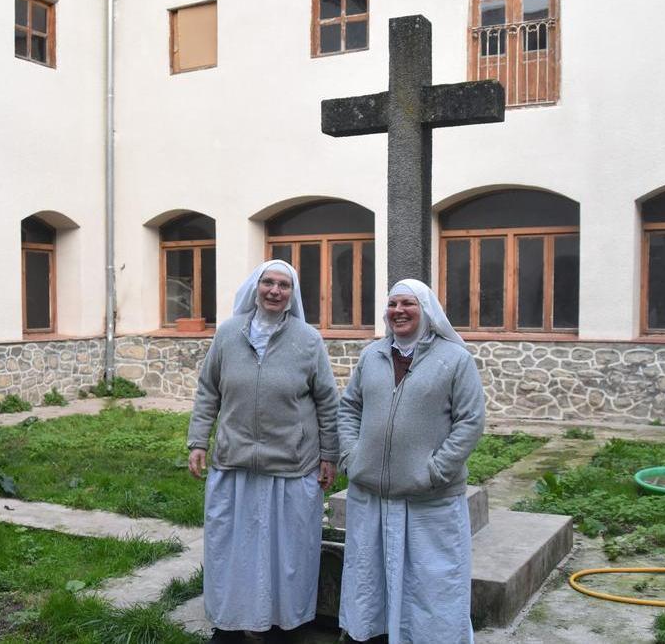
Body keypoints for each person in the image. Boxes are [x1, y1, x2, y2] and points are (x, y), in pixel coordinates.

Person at [187, 259, 340, 644]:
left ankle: (284, 626)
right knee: (232, 551)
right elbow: (209, 391)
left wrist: (329, 454)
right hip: (235, 462)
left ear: (293, 294)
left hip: (290, 465)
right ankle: (228, 626)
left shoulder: (308, 340)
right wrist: (197, 441)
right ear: (256, 288)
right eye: (268, 283)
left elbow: (327, 402)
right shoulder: (227, 335)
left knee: (286, 555)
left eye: (283, 285)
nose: (275, 291)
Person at [336, 279, 486, 644]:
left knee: (432, 580)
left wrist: (436, 471)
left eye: (408, 304)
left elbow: (470, 421)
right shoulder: (372, 356)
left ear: (426, 310)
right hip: (371, 492)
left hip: (428, 497)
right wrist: (351, 456)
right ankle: (371, 635)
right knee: (369, 574)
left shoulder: (455, 359)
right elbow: (349, 407)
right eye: (392, 304)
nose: (398, 311)